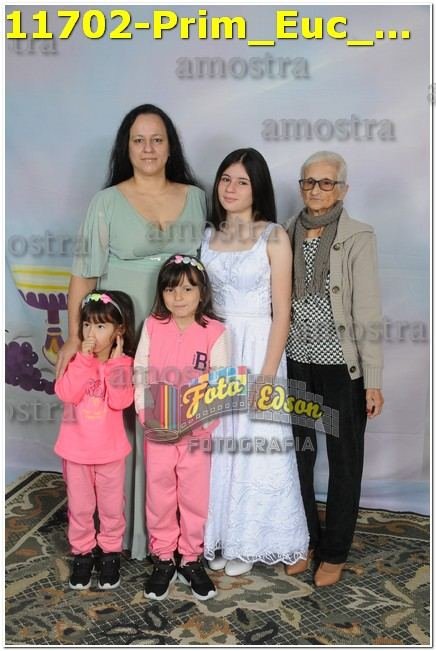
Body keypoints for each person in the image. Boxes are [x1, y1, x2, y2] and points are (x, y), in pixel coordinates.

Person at [55, 104, 207, 560]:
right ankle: (116, 537)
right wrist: (75, 337)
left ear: (170, 146)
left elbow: (211, 267)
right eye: (138, 140)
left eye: (157, 139)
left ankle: (165, 537)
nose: (148, 148)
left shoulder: (197, 198)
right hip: (119, 331)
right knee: (118, 422)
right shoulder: (105, 203)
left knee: (165, 428)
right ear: (126, 147)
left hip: (174, 330)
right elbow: (83, 275)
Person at [201, 148, 309, 577]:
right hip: (218, 346)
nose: (230, 188)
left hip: (259, 345)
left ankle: (249, 542)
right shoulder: (208, 235)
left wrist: (267, 375)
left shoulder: (274, 236)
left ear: (257, 188)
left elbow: (282, 312)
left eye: (242, 182)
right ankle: (219, 536)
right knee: (218, 441)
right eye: (225, 179)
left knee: (255, 440)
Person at [285, 150, 384, 587]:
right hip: (297, 364)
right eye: (309, 181)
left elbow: (368, 311)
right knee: (299, 456)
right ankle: (304, 537)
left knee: (345, 462)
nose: (316, 190)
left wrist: (373, 380)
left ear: (342, 189)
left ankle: (335, 550)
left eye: (326, 182)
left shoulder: (359, 235)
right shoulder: (285, 231)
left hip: (342, 370)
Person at [134, 255, 229, 600]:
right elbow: (140, 370)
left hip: (196, 433)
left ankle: (190, 558)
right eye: (171, 289)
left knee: (193, 496)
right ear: (162, 293)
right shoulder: (153, 325)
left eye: (188, 289)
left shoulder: (215, 332)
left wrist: (203, 422)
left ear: (202, 293)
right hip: (159, 427)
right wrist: (145, 412)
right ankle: (163, 558)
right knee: (159, 494)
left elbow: (221, 384)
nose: (179, 297)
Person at [54, 290, 135, 590]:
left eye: (101, 326)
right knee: (80, 507)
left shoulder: (123, 364)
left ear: (119, 330)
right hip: (76, 453)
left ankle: (110, 553)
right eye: (87, 325)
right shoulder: (76, 361)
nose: (91, 333)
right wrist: (84, 361)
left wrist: (115, 365)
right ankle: (83, 553)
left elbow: (121, 401)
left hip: (110, 454)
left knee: (112, 508)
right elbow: (66, 392)